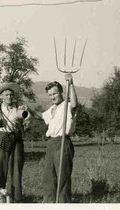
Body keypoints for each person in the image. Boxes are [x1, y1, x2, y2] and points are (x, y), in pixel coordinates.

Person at [0, 82, 30, 203]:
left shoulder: (19, 107)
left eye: (11, 95)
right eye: (6, 95)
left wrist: (25, 122)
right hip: (1, 136)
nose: (9, 97)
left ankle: (16, 199)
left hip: (16, 137)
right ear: (1, 96)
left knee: (16, 167)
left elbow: (26, 126)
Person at [42, 74, 78, 203]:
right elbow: (41, 117)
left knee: (62, 177)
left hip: (63, 142)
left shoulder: (67, 106)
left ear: (62, 92)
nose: (52, 97)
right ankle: (49, 203)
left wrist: (71, 83)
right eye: (50, 95)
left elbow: (74, 104)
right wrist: (27, 109)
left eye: (55, 94)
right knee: (48, 177)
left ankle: (63, 203)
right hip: (51, 143)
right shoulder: (52, 108)